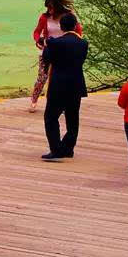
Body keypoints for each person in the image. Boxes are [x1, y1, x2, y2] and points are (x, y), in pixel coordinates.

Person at [41, 12, 88, 161]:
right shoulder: (83, 43)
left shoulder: (55, 43)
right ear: (75, 26)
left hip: (59, 84)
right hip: (76, 84)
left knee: (51, 117)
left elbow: (47, 58)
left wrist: (46, 45)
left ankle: (56, 149)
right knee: (73, 118)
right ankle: (68, 147)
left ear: (61, 26)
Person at [30, 0, 81, 111]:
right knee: (42, 77)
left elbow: (78, 31)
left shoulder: (69, 16)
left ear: (58, 6)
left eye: (51, 7)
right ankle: (34, 100)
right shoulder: (44, 17)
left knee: (61, 78)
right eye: (48, 8)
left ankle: (60, 103)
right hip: (48, 49)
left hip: (64, 51)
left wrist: (75, 44)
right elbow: (37, 32)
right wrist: (38, 40)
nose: (49, 10)